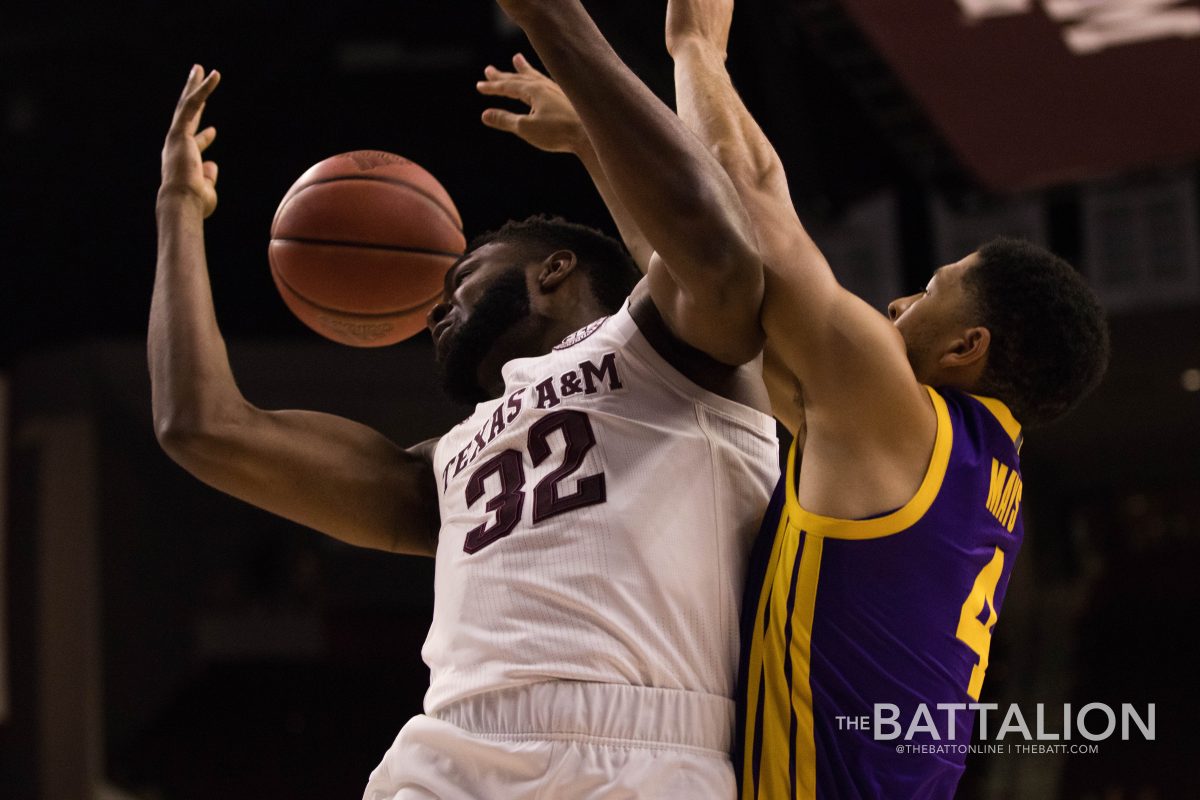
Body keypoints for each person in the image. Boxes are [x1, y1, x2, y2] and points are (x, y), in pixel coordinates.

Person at [477, 1, 1111, 796]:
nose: (895, 307)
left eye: (928, 292)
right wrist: (592, 142)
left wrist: (696, 49)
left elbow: (753, 202)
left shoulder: (901, 418)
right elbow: (704, 292)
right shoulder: (961, 468)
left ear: (965, 348)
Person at [152, 57, 778, 799]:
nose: (435, 309)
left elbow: (708, 257)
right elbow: (203, 427)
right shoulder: (444, 465)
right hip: (449, 751)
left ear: (554, 271)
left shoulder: (676, 362)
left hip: (641, 746)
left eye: (464, 274)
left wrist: (588, 137)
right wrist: (178, 209)